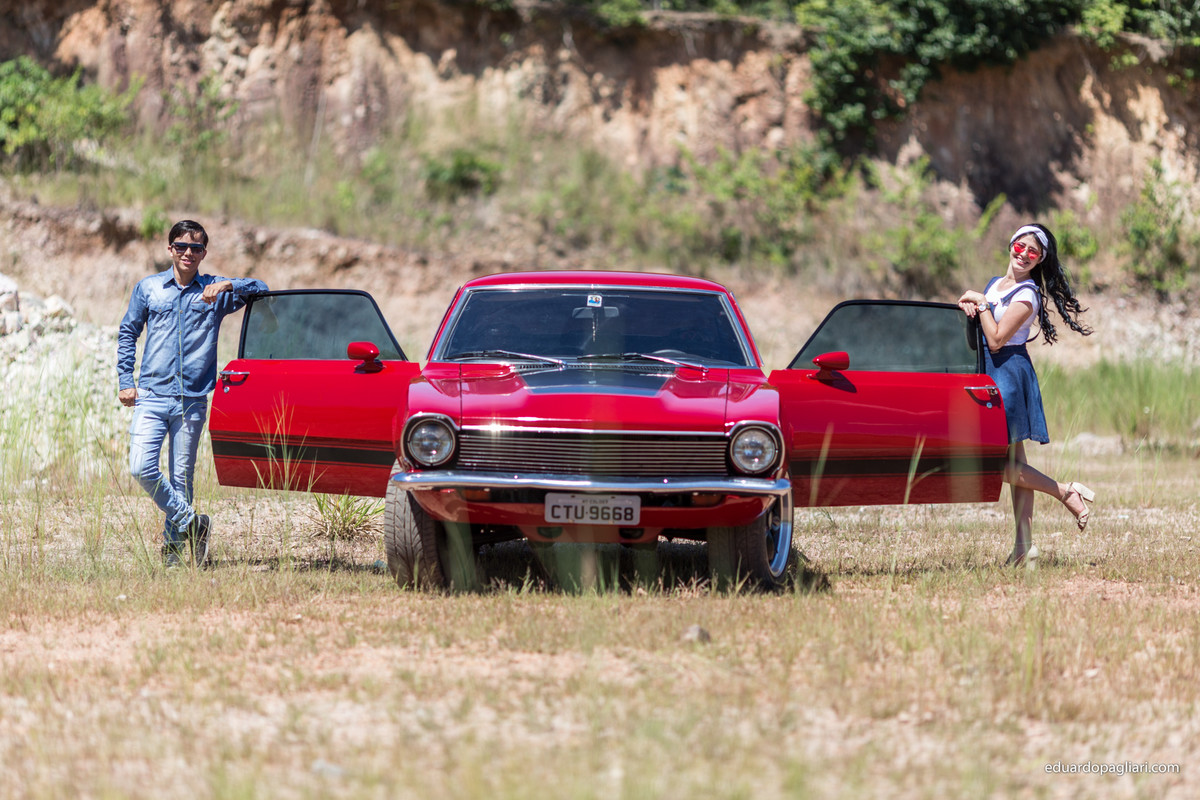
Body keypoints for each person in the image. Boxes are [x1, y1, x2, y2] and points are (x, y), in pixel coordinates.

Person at [117, 220, 268, 568]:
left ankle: (172, 556)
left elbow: (261, 289)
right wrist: (125, 379)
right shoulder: (149, 288)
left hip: (192, 400)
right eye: (182, 246)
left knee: (181, 479)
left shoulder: (217, 290)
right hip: (151, 395)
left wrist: (230, 284)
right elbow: (127, 333)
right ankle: (194, 523)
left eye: (196, 248)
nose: (188, 253)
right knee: (140, 467)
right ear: (170, 249)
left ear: (204, 253)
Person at [958, 223, 1094, 565]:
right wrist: (969, 306)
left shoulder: (1027, 294)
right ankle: (1024, 548)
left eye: (1032, 252)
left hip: (1007, 374)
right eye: (1020, 247)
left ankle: (1064, 491)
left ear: (1039, 259)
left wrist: (981, 303)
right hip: (987, 372)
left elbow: (996, 339)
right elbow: (982, 327)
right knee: (1017, 465)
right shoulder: (995, 284)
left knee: (992, 464)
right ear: (1011, 245)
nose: (1023, 255)